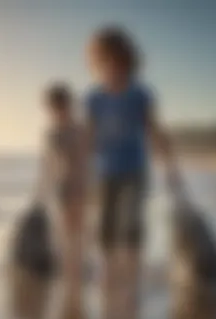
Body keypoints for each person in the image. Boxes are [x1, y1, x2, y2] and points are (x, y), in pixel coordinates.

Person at [84, 26, 178, 304]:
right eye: (104, 62)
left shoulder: (141, 94)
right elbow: (88, 139)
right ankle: (110, 276)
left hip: (134, 171)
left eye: (118, 61)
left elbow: (155, 131)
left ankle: (132, 282)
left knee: (131, 226)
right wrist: (81, 173)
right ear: (97, 64)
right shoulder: (93, 98)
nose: (112, 68)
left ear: (129, 62)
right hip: (104, 173)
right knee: (106, 229)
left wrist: (170, 167)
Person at [37, 84, 86, 284]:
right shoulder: (51, 134)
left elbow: (89, 157)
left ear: (68, 105)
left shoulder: (80, 129)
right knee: (64, 228)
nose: (56, 112)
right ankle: (69, 266)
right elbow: (49, 164)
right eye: (53, 108)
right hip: (63, 185)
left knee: (79, 228)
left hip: (81, 184)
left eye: (60, 107)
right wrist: (41, 191)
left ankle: (76, 266)